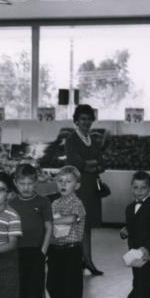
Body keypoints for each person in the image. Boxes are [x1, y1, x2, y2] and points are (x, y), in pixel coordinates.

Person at [8, 164, 52, 298]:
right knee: (20, 293)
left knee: (34, 293)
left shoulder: (42, 202)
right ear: (16, 183)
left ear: (36, 183)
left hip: (35, 252)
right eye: (22, 183)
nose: (26, 187)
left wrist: (43, 250)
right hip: (16, 252)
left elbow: (49, 227)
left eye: (30, 183)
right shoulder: (11, 204)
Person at [112, 172, 150, 298]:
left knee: (140, 284)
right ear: (131, 188)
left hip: (149, 254)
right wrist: (124, 231)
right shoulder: (129, 208)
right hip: (134, 254)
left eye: (143, 188)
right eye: (136, 187)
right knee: (144, 284)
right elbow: (131, 227)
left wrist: (147, 248)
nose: (139, 191)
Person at [46, 166, 89, 298]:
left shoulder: (77, 203)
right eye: (60, 181)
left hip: (72, 251)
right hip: (55, 250)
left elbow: (72, 218)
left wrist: (49, 220)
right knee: (52, 287)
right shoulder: (54, 203)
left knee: (72, 289)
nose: (63, 184)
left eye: (68, 181)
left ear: (77, 185)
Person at [64, 104, 105, 276]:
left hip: (91, 187)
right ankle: (85, 261)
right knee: (79, 224)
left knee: (86, 226)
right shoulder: (71, 140)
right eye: (82, 119)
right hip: (79, 187)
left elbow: (102, 163)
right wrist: (90, 165)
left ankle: (84, 259)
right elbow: (76, 164)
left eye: (89, 119)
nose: (86, 122)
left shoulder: (93, 140)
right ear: (76, 121)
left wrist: (90, 165)